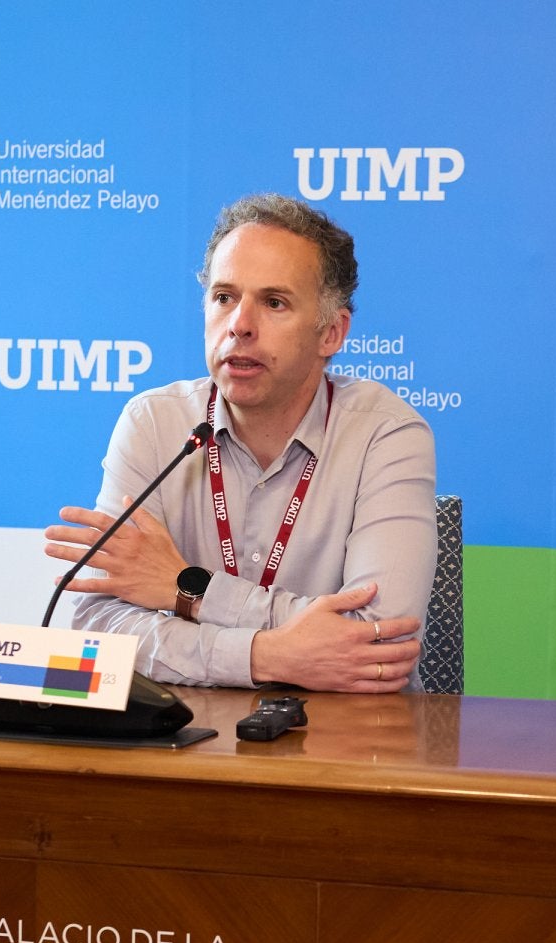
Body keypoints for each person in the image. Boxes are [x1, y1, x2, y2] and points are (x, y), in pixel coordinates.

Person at [44, 193, 437, 691]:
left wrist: (188, 588)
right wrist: (264, 656)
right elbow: (97, 626)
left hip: (348, 744)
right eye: (224, 297)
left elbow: (376, 643)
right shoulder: (154, 422)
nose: (239, 325)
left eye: (274, 303)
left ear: (331, 333)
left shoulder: (386, 434)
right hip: (182, 742)